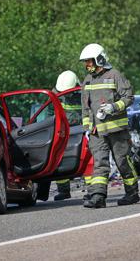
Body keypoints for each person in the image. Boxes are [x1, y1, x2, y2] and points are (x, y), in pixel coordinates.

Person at [79, 43, 139, 208]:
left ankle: (132, 193)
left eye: (89, 61)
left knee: (122, 161)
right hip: (96, 132)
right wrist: (87, 129)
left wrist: (114, 107)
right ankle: (98, 197)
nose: (87, 65)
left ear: (99, 59)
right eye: (85, 62)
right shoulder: (87, 81)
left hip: (117, 129)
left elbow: (129, 96)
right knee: (100, 163)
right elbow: (85, 108)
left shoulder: (114, 75)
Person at [53, 70, 82, 200]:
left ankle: (93, 190)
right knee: (61, 160)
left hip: (81, 131)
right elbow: (49, 115)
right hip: (64, 133)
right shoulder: (55, 96)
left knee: (85, 160)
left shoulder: (83, 94)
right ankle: (63, 191)